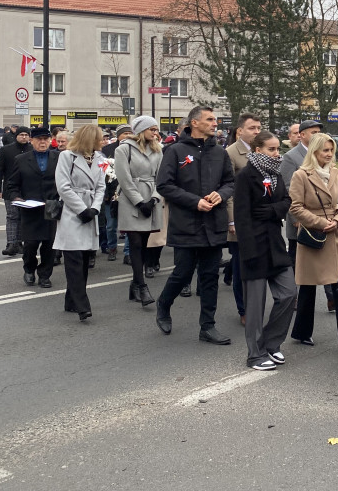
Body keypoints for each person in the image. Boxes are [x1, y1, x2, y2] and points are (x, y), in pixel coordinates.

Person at [154, 105, 235, 345]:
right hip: (186, 224)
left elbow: (230, 182)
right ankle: (164, 304)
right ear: (195, 123)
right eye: (210, 119)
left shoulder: (220, 152)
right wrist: (194, 202)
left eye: (215, 120)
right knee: (182, 273)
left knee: (210, 276)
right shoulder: (176, 151)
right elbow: (164, 185)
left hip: (213, 224)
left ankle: (207, 326)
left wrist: (221, 194)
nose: (215, 123)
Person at [235, 130, 296, 370]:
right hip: (254, 247)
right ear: (257, 150)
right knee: (255, 307)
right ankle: (255, 354)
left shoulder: (276, 172)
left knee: (289, 293)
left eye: (278, 149)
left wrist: (273, 210)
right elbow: (241, 216)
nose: (276, 153)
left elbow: (286, 201)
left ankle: (271, 343)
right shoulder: (246, 176)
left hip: (275, 245)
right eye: (271, 149)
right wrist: (247, 252)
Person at [288, 133, 338, 347]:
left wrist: (337, 221)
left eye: (332, 150)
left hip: (334, 235)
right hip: (314, 235)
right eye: (325, 150)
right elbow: (295, 208)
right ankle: (302, 332)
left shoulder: (335, 172)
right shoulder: (301, 175)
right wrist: (321, 223)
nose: (330, 154)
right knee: (308, 287)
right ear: (315, 152)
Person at [53, 125, 106, 322]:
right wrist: (81, 209)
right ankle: (82, 304)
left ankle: (71, 300)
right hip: (72, 211)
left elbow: (101, 186)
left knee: (83, 259)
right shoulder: (67, 157)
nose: (102, 142)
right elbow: (63, 187)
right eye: (99, 138)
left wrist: (95, 208)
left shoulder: (100, 159)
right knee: (73, 258)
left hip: (91, 211)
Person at [115, 115, 165, 308]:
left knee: (144, 243)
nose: (155, 133)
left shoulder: (157, 150)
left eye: (156, 129)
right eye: (151, 129)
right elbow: (124, 179)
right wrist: (138, 201)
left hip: (151, 200)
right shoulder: (123, 149)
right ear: (141, 130)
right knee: (135, 242)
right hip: (131, 201)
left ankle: (134, 284)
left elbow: (160, 177)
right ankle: (141, 285)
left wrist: (153, 198)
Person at [7, 127, 60, 288]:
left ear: (50, 140)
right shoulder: (21, 159)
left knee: (49, 244)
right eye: (39, 139)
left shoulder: (58, 157)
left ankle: (45, 275)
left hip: (51, 205)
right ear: (32, 141)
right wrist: (16, 197)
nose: (42, 142)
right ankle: (29, 269)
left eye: (45, 139)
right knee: (30, 243)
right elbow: (12, 184)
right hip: (30, 207)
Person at [225, 113, 262, 325]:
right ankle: (244, 309)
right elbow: (229, 189)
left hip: (260, 217)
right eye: (252, 128)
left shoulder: (261, 150)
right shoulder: (231, 153)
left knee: (257, 264)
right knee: (240, 266)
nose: (257, 132)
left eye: (258, 128)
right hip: (241, 217)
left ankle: (255, 304)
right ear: (240, 131)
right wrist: (231, 221)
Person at [280, 119, 323, 280]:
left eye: (319, 133)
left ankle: (331, 296)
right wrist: (296, 217)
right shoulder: (291, 157)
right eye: (314, 133)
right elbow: (287, 189)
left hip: (321, 217)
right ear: (302, 135)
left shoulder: (322, 153)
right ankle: (294, 296)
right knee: (297, 260)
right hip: (300, 219)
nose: (317, 136)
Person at [0, 126, 31, 256]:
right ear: (16, 136)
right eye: (21, 135)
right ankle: (11, 243)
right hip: (10, 188)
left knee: (24, 216)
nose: (24, 137)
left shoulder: (32, 149)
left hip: (28, 189)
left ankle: (20, 243)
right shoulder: (6, 150)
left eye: (26, 135)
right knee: (12, 216)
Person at [98, 124, 133, 261]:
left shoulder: (134, 149)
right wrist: (106, 193)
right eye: (125, 133)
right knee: (111, 225)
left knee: (129, 225)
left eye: (130, 133)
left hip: (128, 193)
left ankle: (128, 252)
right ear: (118, 136)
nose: (128, 136)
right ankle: (111, 248)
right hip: (110, 194)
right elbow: (101, 172)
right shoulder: (107, 150)